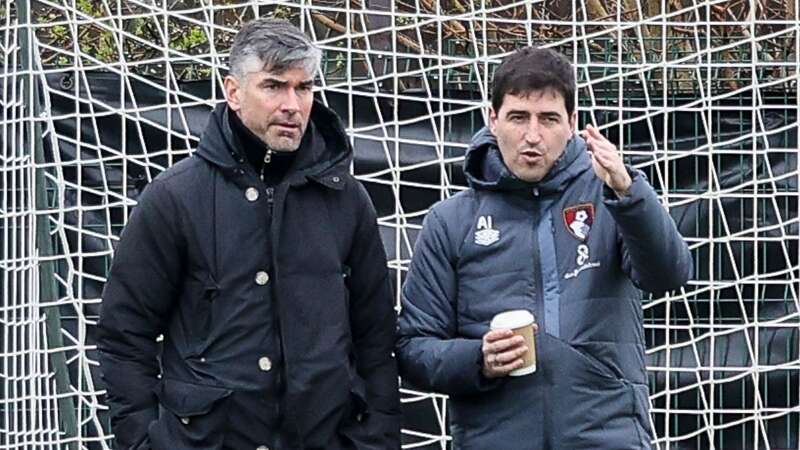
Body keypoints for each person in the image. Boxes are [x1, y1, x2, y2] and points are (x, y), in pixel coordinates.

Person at [98, 18, 400, 450]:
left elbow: (376, 337)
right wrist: (144, 441)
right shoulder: (173, 197)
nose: (293, 104)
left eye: (304, 88)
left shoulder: (347, 199)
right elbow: (124, 335)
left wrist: (377, 439)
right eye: (274, 86)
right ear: (233, 92)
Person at [396, 46, 692, 449]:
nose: (532, 135)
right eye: (518, 117)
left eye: (549, 119)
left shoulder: (613, 196)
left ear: (572, 123)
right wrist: (478, 360)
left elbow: (669, 274)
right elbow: (413, 348)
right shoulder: (450, 221)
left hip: (606, 436)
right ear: (493, 119)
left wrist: (629, 192)